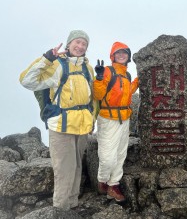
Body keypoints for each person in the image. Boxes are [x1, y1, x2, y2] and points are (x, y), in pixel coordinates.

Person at [19, 30, 95, 210]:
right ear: (68, 44)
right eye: (77, 42)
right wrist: (46, 58)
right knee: (64, 169)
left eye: (84, 44)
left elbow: (92, 98)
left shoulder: (87, 68)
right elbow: (27, 81)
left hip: (82, 125)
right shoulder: (57, 65)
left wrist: (92, 120)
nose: (80, 46)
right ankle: (61, 209)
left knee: (77, 167)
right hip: (61, 125)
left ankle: (72, 205)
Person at [93, 41, 139, 202]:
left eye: (124, 53)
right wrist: (98, 79)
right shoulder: (107, 71)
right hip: (108, 118)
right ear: (112, 55)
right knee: (107, 156)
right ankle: (102, 181)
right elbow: (98, 95)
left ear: (128, 56)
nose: (121, 55)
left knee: (120, 154)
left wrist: (139, 80)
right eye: (118, 53)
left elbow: (128, 92)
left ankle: (114, 184)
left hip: (124, 118)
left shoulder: (127, 75)